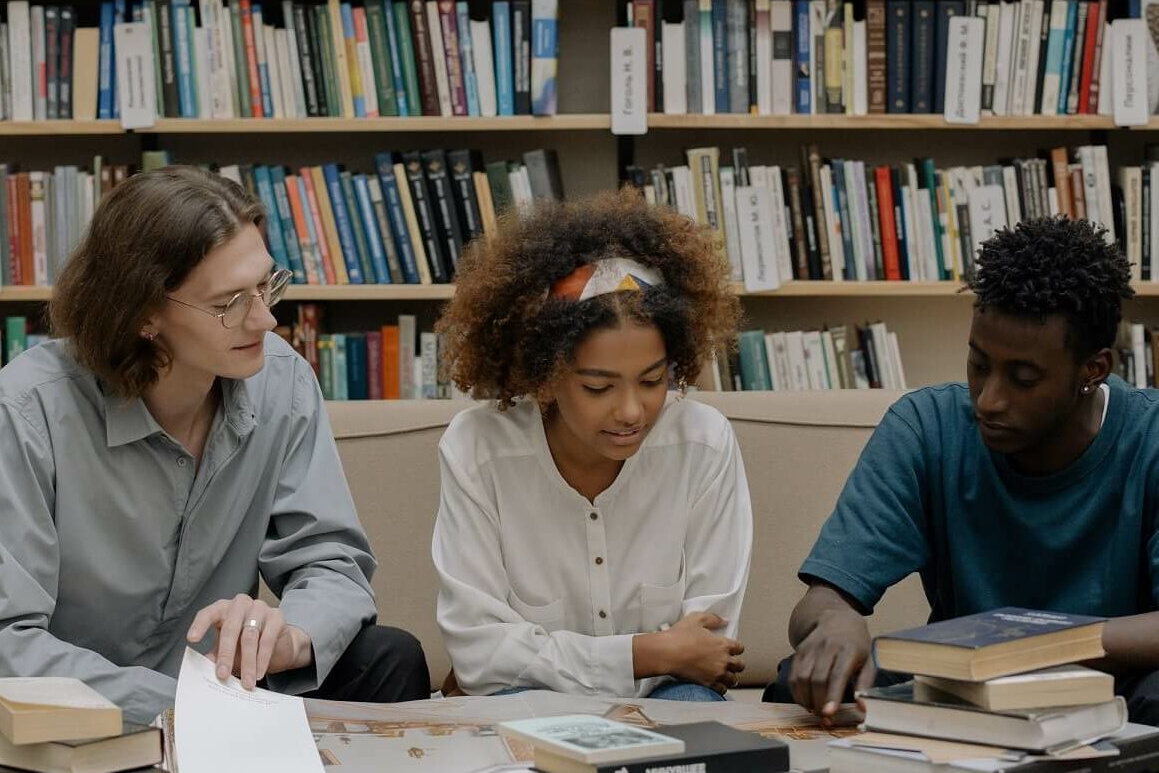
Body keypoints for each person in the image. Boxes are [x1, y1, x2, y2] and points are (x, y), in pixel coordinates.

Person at [0, 166, 429, 726]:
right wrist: (179, 708)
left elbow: (331, 561)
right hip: (85, 707)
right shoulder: (26, 410)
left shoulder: (284, 381)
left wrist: (289, 639)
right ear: (143, 314)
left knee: (389, 656)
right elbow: (9, 641)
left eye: (266, 285)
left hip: (226, 692)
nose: (266, 318)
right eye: (230, 302)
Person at [770, 215, 1159, 727]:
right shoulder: (925, 427)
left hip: (1112, 683)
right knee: (794, 677)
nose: (990, 400)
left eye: (1023, 378)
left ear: (1093, 370)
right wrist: (835, 622)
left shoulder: (1149, 436)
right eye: (979, 365)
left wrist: (1025, 647)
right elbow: (821, 599)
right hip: (958, 685)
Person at [432, 188, 751, 701]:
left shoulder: (703, 443)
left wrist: (663, 658)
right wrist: (646, 653)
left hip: (671, 692)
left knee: (693, 708)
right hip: (530, 699)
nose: (631, 411)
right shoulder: (477, 450)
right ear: (546, 377)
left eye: (652, 381)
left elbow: (705, 650)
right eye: (599, 387)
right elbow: (481, 655)